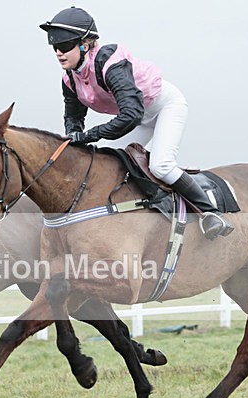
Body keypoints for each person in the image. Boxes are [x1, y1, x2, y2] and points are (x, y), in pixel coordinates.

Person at [39, 7, 233, 240]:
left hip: (164, 107)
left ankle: (211, 214)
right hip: (140, 117)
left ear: (85, 44)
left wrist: (90, 135)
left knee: (161, 165)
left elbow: (130, 114)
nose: (59, 53)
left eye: (65, 46)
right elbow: (73, 117)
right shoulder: (70, 78)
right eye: (55, 48)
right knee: (110, 161)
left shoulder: (109, 62)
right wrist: (74, 135)